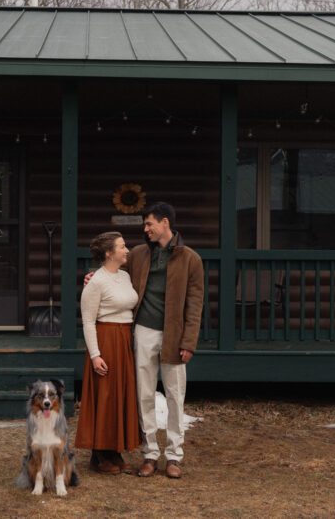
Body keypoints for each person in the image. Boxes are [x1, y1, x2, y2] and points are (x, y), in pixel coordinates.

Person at [129, 202, 203, 480]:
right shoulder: (137, 254)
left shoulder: (190, 258)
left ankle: (174, 456)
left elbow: (195, 304)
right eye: (145, 225)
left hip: (174, 334)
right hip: (144, 330)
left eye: (149, 224)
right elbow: (114, 272)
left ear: (164, 223)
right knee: (144, 393)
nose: (145, 229)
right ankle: (149, 454)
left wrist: (189, 341)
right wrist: (93, 276)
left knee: (175, 395)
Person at [73, 231, 141, 474]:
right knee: (105, 395)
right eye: (122, 246)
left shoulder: (124, 276)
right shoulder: (96, 282)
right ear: (108, 253)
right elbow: (89, 321)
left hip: (124, 339)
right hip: (106, 340)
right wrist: (95, 355)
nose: (127, 250)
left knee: (120, 395)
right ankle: (100, 454)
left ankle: (115, 451)